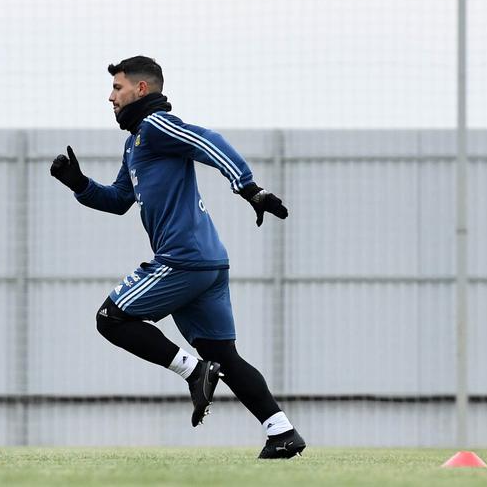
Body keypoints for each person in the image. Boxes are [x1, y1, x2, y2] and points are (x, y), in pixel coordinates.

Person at [50, 55, 305, 459]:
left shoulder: (155, 126)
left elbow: (207, 141)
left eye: (117, 88)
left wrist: (249, 189)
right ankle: (282, 432)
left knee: (110, 318)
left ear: (141, 89)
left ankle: (193, 371)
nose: (110, 97)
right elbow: (119, 201)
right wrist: (78, 184)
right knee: (224, 355)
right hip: (206, 262)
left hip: (183, 259)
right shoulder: (135, 143)